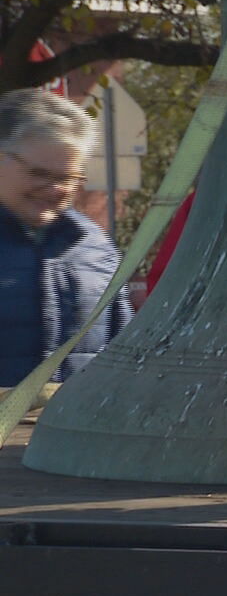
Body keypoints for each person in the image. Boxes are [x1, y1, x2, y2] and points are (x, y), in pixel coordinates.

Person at [0, 90, 132, 389]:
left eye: (68, 178)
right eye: (39, 173)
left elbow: (123, 357)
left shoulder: (95, 248)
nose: (56, 189)